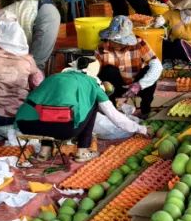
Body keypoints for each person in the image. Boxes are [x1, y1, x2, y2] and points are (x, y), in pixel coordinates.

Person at [15, 57, 148, 163]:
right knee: (92, 103)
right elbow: (114, 116)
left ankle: (44, 151)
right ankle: (82, 151)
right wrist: (140, 129)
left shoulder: (53, 77)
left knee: (51, 105)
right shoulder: (92, 84)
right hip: (63, 129)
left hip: (26, 125)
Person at [94, 16, 163, 117]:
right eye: (114, 41)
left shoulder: (139, 43)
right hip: (115, 87)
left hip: (136, 84)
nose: (117, 44)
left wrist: (139, 85)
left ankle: (145, 110)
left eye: (120, 42)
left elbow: (156, 65)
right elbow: (94, 72)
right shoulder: (102, 48)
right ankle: (112, 112)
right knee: (108, 71)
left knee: (149, 71)